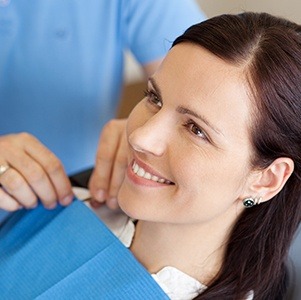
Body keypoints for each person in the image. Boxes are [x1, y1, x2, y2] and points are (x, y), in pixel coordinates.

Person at [2, 11, 301, 299]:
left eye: (196, 130)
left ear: (266, 179)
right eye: (154, 98)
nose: (140, 137)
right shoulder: (53, 205)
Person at [0, 0, 205, 214]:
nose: (140, 139)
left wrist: (142, 125)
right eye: (153, 98)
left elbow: (207, 86)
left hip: (80, 205)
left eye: (154, 98)